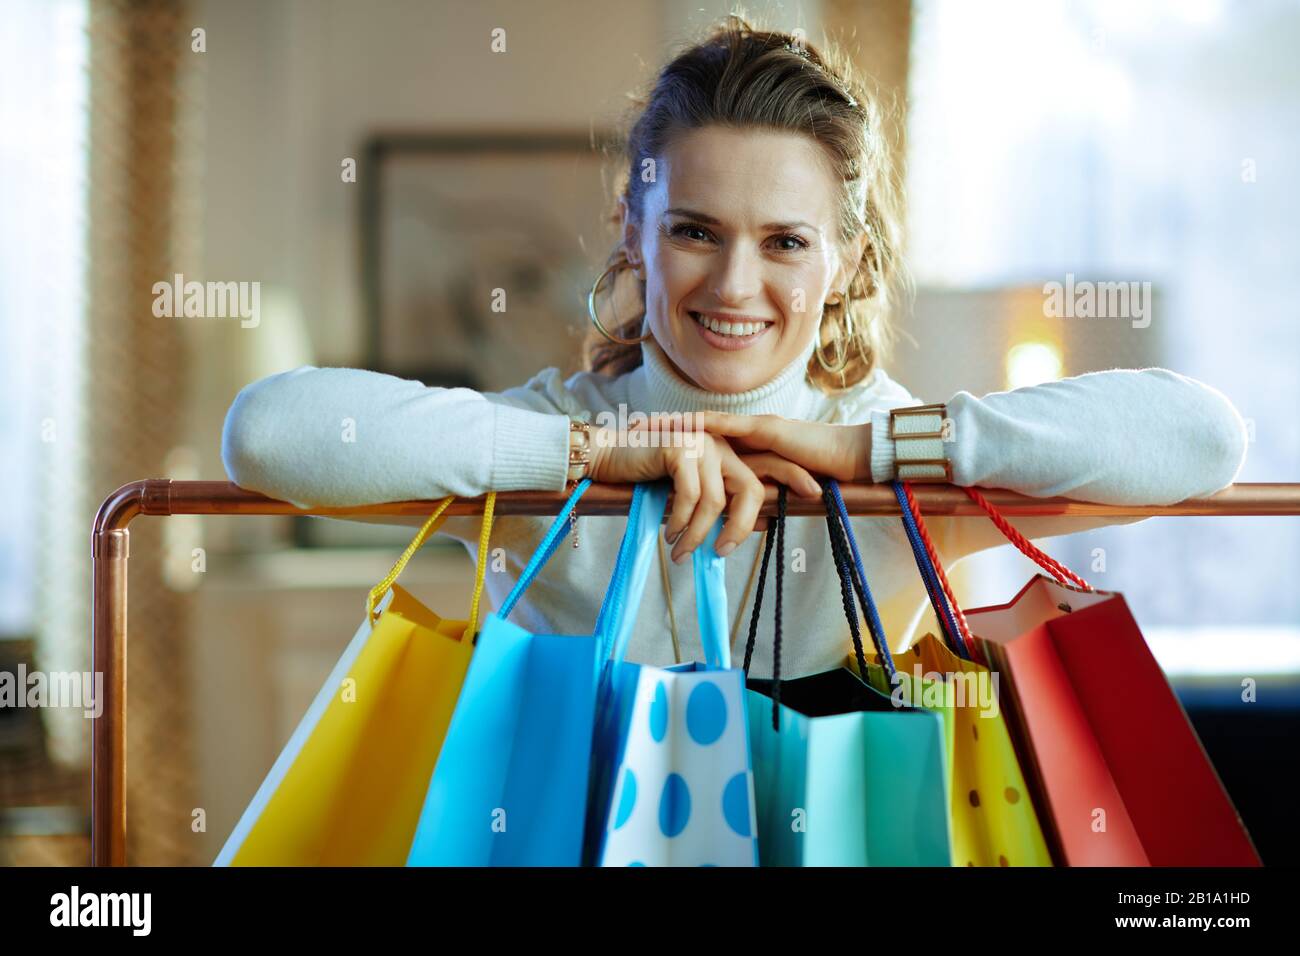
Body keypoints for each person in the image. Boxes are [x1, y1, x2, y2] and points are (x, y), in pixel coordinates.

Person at [220, 15, 1246, 676]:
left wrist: (859, 455)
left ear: (846, 261)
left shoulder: (891, 447)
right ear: (634, 229)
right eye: (694, 231)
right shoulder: (551, 438)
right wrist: (598, 458)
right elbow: (265, 432)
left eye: (786, 242)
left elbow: (1203, 437)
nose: (734, 285)